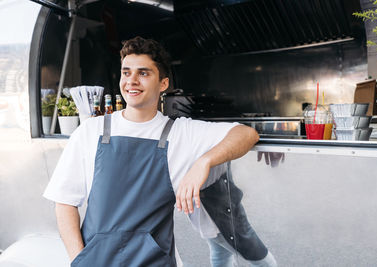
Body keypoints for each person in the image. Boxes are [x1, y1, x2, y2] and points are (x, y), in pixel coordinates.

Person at [42, 36, 268, 266]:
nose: (132, 81)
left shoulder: (180, 132)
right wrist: (79, 260)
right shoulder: (91, 130)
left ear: (163, 84)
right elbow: (64, 203)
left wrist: (204, 162)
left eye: (143, 73)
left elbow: (246, 134)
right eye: (126, 72)